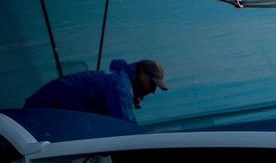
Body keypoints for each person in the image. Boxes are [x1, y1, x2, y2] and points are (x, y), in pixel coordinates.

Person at [23, 59, 168, 124]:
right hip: (40, 113)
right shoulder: (120, 86)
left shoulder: (118, 81)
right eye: (153, 85)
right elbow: (125, 124)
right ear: (142, 75)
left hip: (43, 112)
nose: (153, 91)